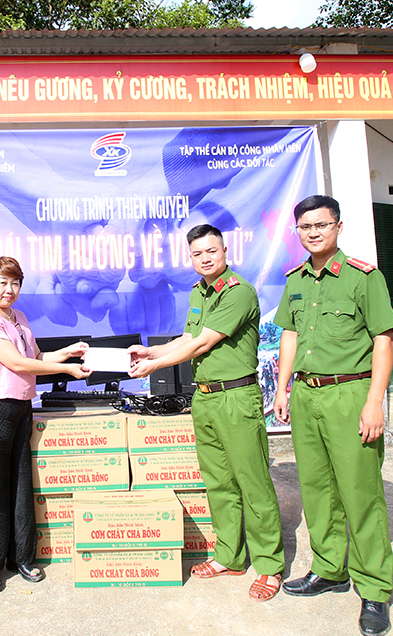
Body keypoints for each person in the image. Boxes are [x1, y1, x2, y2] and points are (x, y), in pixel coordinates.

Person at [129, 224, 286, 602]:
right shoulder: (199, 292)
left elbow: (202, 343)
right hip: (205, 397)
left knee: (253, 483)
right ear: (191, 257)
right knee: (218, 481)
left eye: (211, 251)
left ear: (225, 251)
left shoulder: (239, 292)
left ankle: (269, 565)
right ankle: (229, 556)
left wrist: (154, 368)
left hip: (236, 397)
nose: (205, 258)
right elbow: (187, 337)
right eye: (198, 254)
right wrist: (151, 352)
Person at [272, 195, 393, 636]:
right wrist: (283, 386)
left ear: (338, 227)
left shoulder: (364, 278)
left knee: (360, 493)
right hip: (307, 396)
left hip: (350, 394)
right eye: (304, 227)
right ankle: (330, 569)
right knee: (317, 489)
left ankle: (375, 589)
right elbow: (289, 332)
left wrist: (374, 401)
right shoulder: (296, 279)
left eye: (321, 225)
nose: (313, 233)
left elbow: (384, 340)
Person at [0, 256, 89, 594]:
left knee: (19, 484)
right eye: (2, 282)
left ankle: (21, 556)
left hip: (19, 408)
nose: (9, 289)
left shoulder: (19, 318)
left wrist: (68, 352)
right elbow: (16, 362)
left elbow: (36, 357)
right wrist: (68, 371)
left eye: (15, 283)